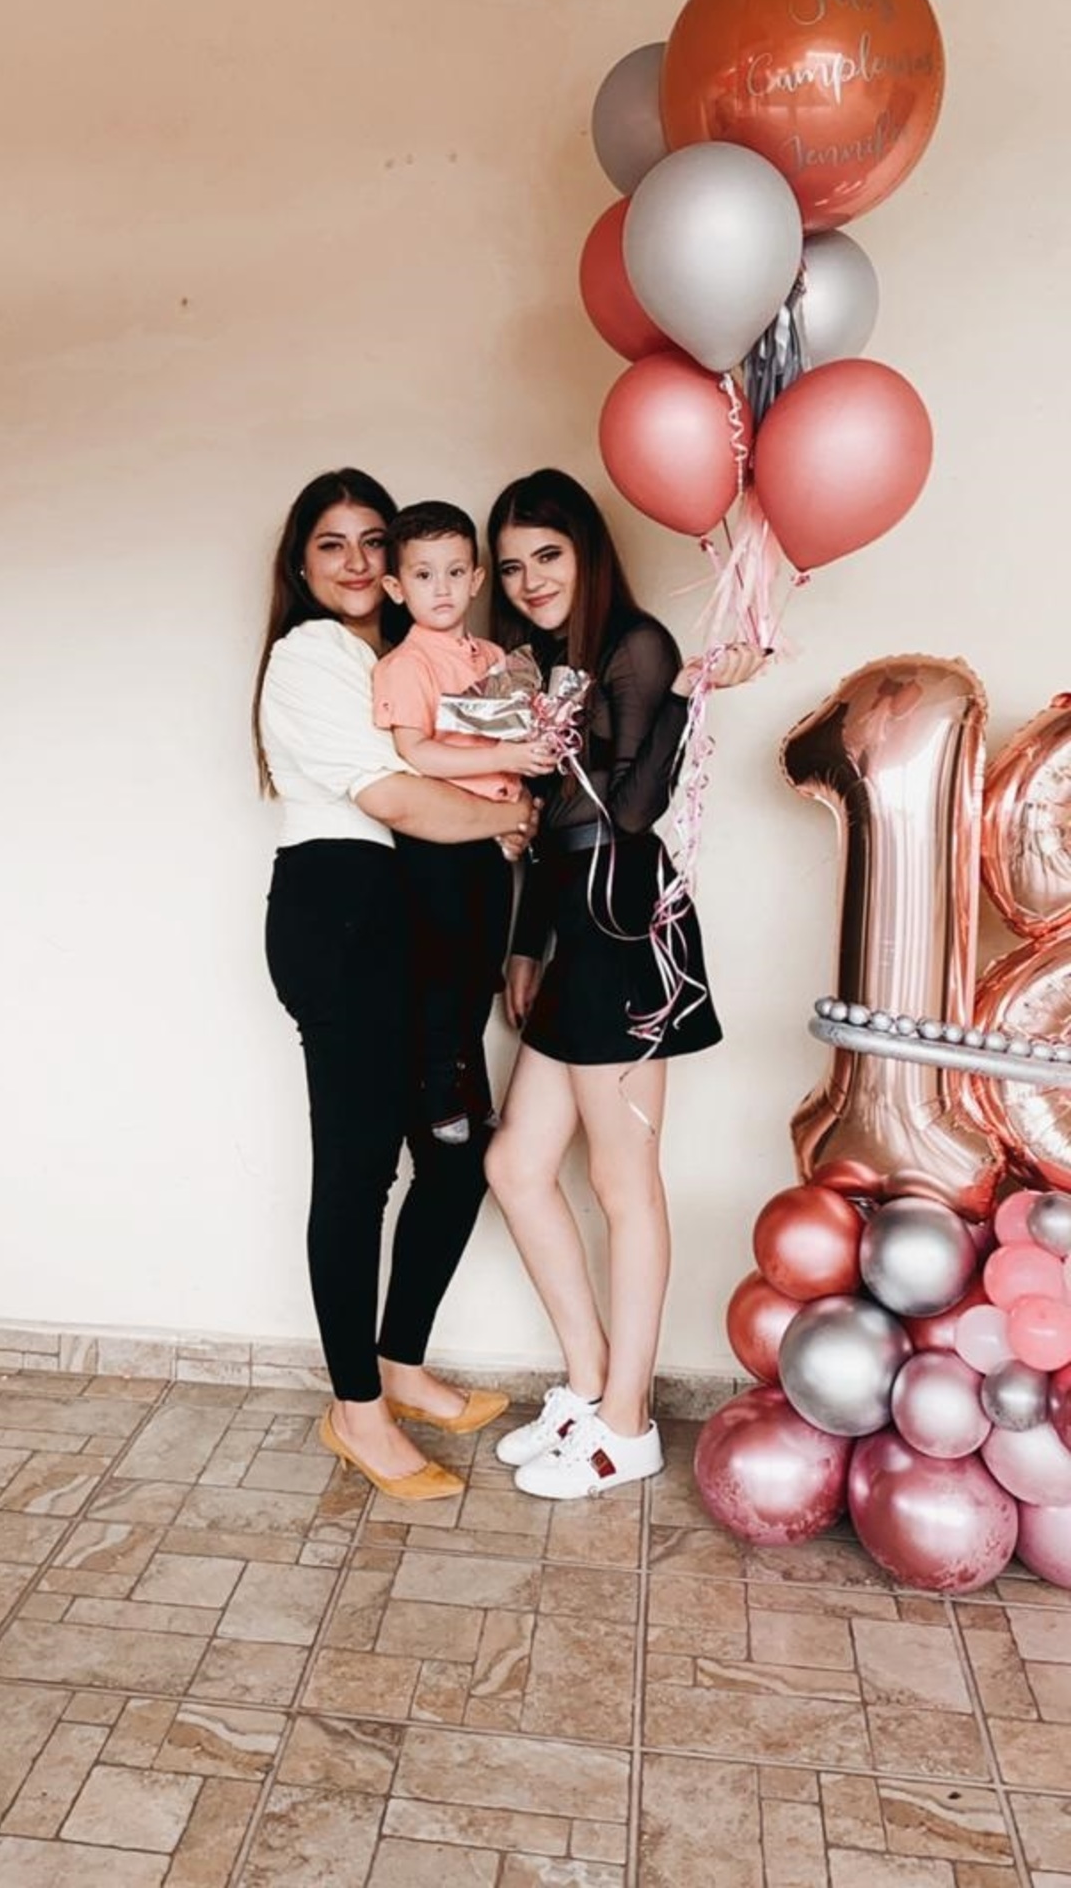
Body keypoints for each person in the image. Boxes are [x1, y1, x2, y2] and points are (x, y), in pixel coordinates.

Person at [255, 468, 535, 1503]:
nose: (357, 560)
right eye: (331, 543)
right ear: (300, 564)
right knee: (359, 1169)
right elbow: (399, 799)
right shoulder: (309, 654)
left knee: (456, 1150)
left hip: (412, 923)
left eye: (373, 539)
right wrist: (507, 817)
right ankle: (356, 1408)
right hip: (338, 914)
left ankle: (400, 1360)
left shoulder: (405, 657)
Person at [482, 468, 763, 1500]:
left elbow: (632, 812)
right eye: (511, 566)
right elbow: (544, 831)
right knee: (517, 1165)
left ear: (586, 551)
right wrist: (524, 947)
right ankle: (592, 1384)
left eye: (546, 555)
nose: (528, 580)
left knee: (621, 1184)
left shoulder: (635, 646)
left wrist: (685, 695)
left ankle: (628, 1425)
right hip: (570, 930)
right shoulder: (543, 668)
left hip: (626, 930)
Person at [372, 499, 555, 1146]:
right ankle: (439, 1089)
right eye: (423, 576)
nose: (442, 589)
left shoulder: (496, 657)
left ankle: (469, 1092)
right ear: (396, 587)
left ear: (477, 579)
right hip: (439, 840)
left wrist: (520, 806)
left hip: (492, 843)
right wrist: (507, 760)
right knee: (445, 965)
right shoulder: (406, 665)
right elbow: (416, 752)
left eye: (455, 573)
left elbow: (519, 739)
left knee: (481, 966)